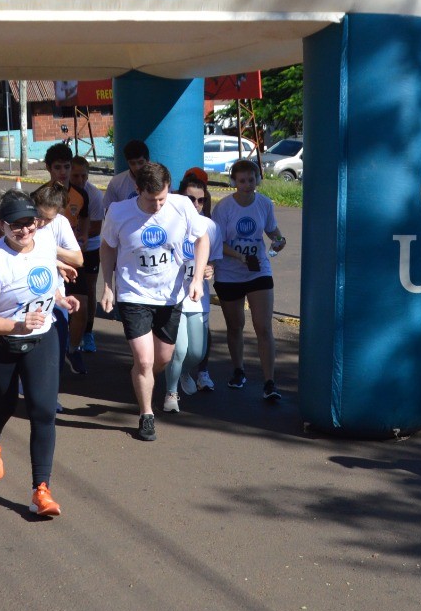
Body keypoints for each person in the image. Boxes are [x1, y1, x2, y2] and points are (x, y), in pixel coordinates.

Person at [0, 190, 80, 517]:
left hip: (41, 337)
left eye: (30, 224)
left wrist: (60, 298)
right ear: (2, 226)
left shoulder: (45, 241)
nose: (25, 231)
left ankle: (40, 491)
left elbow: (43, 279)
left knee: (43, 411)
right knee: (4, 404)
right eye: (15, 226)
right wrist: (17, 325)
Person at [99, 162, 209, 442]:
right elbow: (108, 246)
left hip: (170, 295)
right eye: (151, 199)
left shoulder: (181, 205)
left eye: (162, 197)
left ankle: (140, 374)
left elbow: (202, 239)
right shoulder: (119, 212)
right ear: (137, 190)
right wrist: (108, 286)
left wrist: (196, 279)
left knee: (163, 358)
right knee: (146, 360)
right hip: (133, 294)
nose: (158, 205)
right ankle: (146, 414)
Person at [211, 158, 287, 402]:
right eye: (242, 180)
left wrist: (279, 239)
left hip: (258, 270)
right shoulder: (223, 208)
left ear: (258, 180)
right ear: (234, 182)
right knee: (236, 326)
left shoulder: (264, 203)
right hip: (229, 273)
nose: (247, 185)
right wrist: (239, 256)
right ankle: (238, 370)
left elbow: (271, 230)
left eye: (251, 180)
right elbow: (216, 243)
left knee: (263, 327)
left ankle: (269, 382)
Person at [163, 173, 220, 414]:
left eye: (200, 200)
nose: (195, 205)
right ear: (179, 197)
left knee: (197, 352)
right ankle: (171, 392)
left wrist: (210, 269)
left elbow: (214, 261)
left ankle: (185, 371)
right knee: (180, 350)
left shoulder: (210, 227)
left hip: (198, 298)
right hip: (173, 297)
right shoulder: (167, 222)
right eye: (190, 199)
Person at [30, 181, 86, 393]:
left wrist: (51, 251)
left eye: (49, 218)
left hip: (55, 294)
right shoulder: (24, 221)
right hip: (27, 297)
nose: (42, 222)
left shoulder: (59, 224)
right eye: (40, 215)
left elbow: (78, 259)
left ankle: (50, 395)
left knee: (56, 350)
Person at [69, 154, 107, 354]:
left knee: (89, 289)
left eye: (84, 176)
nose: (81, 180)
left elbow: (95, 227)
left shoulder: (94, 194)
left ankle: (88, 332)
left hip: (89, 248)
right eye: (76, 176)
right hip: (65, 251)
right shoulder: (62, 192)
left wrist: (74, 235)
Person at [103, 139, 150, 205]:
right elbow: (108, 210)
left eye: (140, 162)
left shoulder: (160, 180)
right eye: (132, 163)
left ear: (148, 160)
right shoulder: (116, 183)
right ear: (127, 163)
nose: (137, 167)